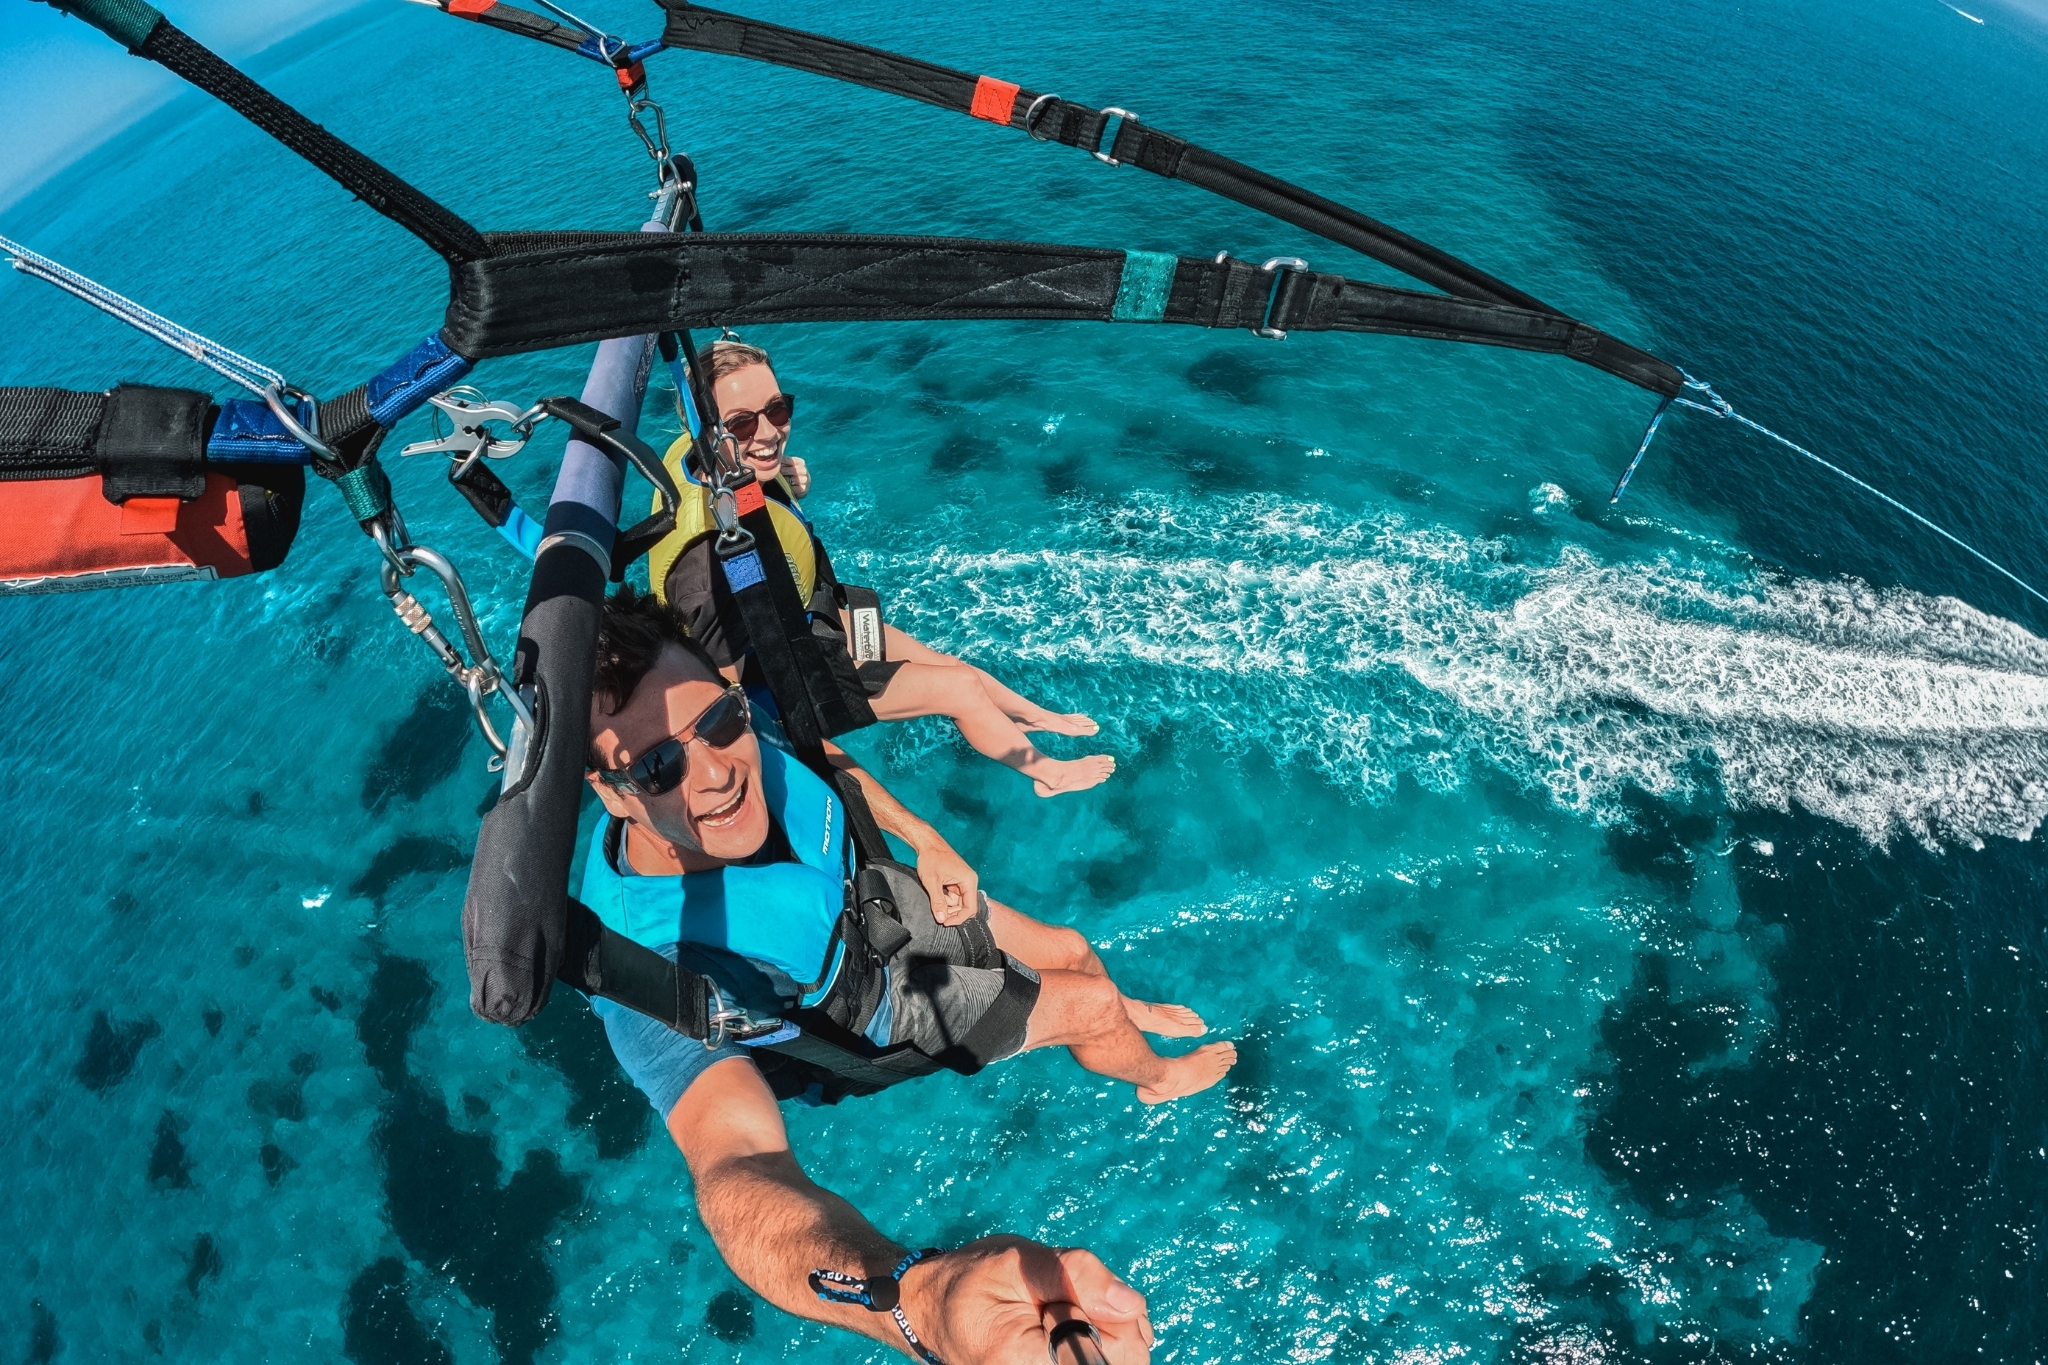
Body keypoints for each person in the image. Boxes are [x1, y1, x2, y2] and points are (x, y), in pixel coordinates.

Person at [575, 589, 1233, 1361]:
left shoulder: (745, 733)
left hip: (878, 899)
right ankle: (1154, 1075)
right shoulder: (650, 968)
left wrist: (926, 838)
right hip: (871, 1017)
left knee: (1077, 951)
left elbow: (825, 769)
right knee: (1087, 1006)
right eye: (658, 766)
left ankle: (1128, 1019)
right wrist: (912, 1296)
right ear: (610, 793)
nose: (717, 773)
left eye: (719, 722)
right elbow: (737, 1172)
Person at [651, 339, 1117, 798]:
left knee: (948, 663)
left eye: (777, 410)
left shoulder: (704, 457)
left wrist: (774, 472)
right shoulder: (707, 564)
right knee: (959, 689)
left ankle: (1033, 716)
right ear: (707, 429)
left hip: (811, 620)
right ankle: (1049, 775)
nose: (770, 433)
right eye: (743, 423)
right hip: (790, 682)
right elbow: (728, 684)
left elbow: (740, 471)